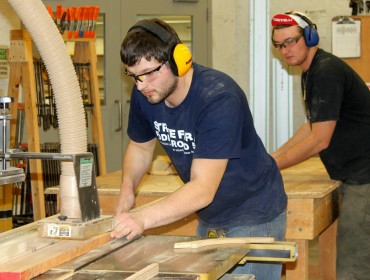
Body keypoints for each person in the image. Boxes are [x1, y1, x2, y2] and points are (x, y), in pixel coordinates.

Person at [111, 18, 287, 279]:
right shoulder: (146, 94)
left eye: (149, 73)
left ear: (179, 60)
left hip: (253, 213)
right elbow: (140, 146)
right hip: (210, 216)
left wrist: (142, 218)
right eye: (134, 76)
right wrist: (127, 191)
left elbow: (203, 189)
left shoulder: (218, 98)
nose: (141, 85)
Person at [271, 11, 370, 279]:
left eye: (291, 41)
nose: (285, 50)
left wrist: (272, 165)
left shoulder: (326, 72)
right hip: (353, 174)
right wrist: (272, 157)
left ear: (310, 37)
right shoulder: (312, 71)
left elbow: (319, 139)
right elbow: (313, 125)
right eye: (280, 45)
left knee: (354, 265)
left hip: (364, 178)